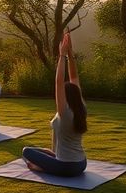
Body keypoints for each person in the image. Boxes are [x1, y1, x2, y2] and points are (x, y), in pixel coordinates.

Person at [22, 30, 88, 177]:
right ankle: (50, 160)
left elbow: (59, 82)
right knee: (44, 151)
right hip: (82, 163)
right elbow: (74, 77)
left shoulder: (65, 113)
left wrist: (62, 56)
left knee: (26, 151)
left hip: (66, 167)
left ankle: (42, 168)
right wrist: (70, 54)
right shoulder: (82, 108)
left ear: (66, 97)